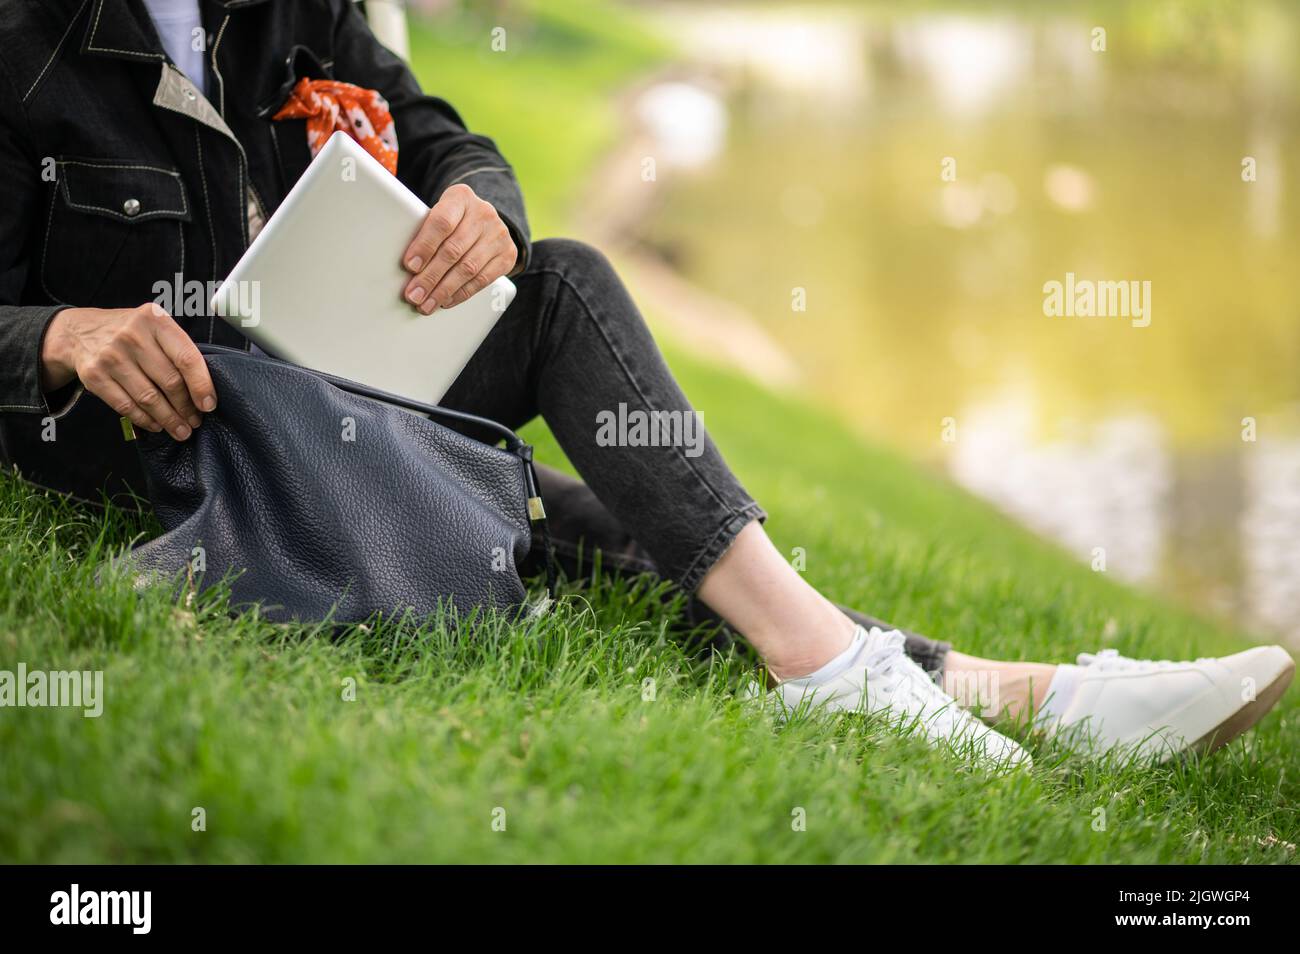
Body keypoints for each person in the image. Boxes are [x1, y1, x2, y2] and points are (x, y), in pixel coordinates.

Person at [0, 0, 1292, 771]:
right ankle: (1004, 690)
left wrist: (479, 208)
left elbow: (442, 126)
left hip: (339, 364)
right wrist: (58, 333)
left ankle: (892, 670)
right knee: (593, 531)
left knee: (562, 281)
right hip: (181, 431)